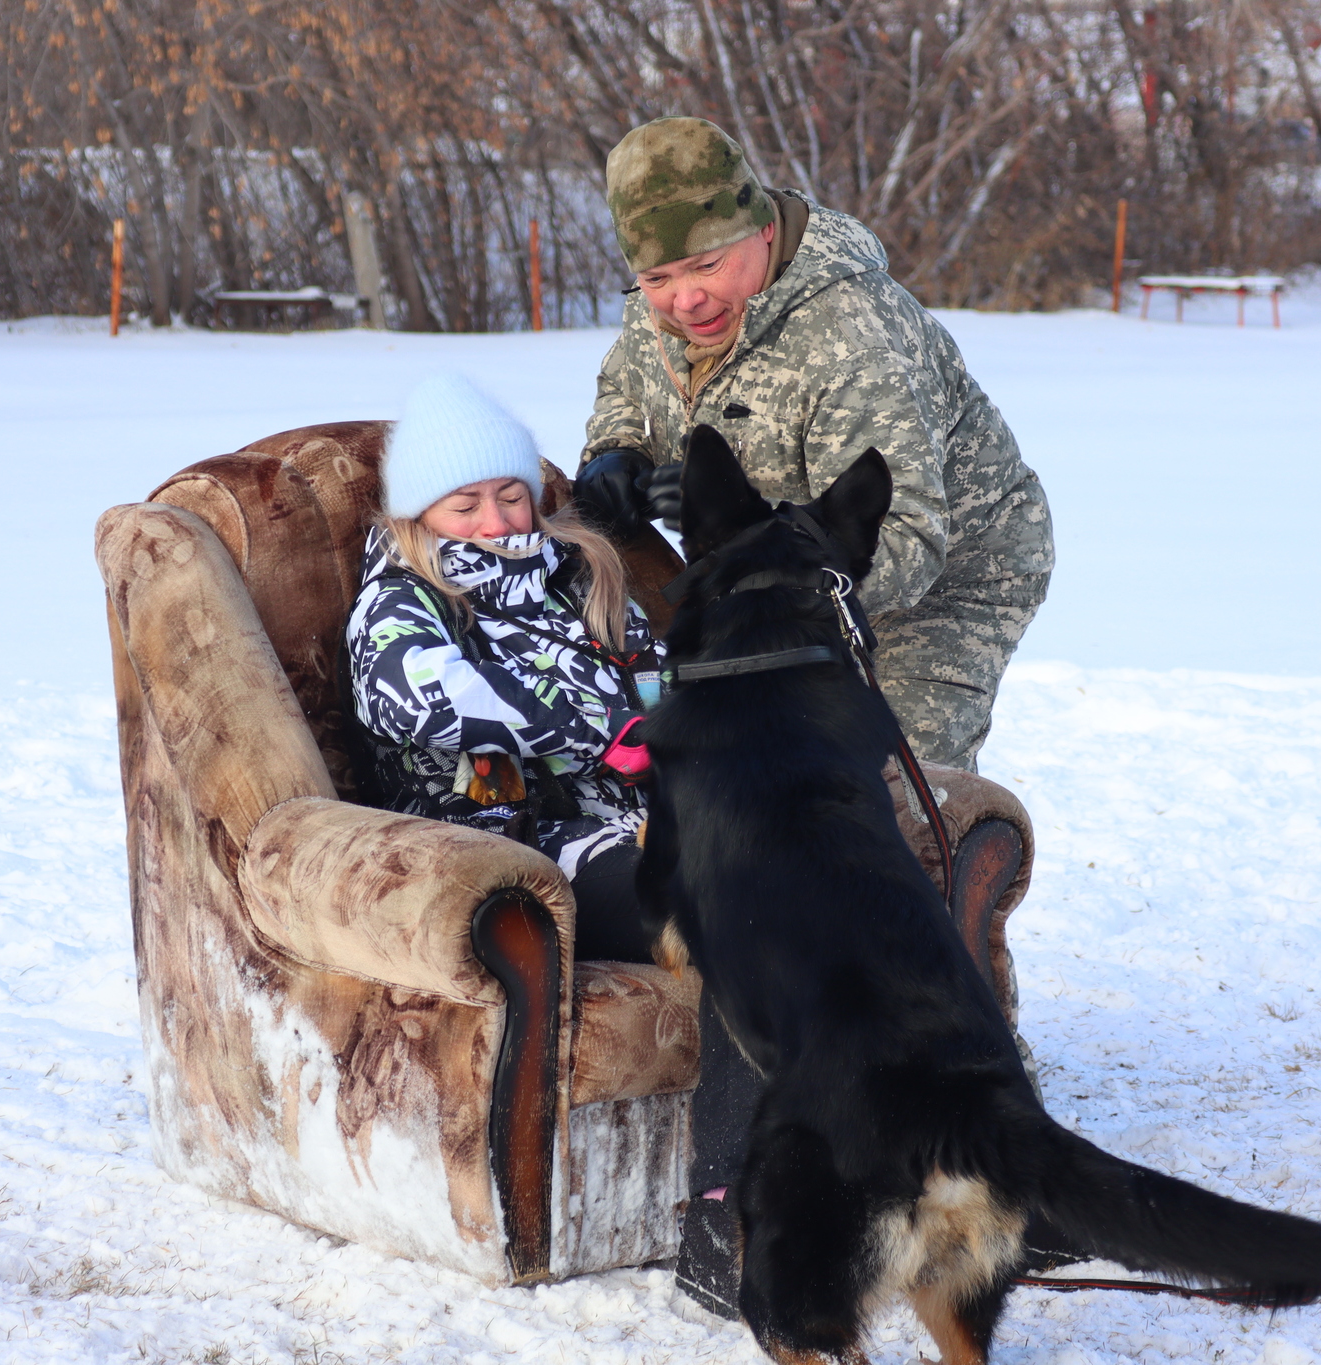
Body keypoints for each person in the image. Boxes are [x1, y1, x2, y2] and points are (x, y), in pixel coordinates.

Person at [573, 116, 1054, 774]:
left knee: (886, 790)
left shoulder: (850, 334)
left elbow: (907, 534)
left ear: (762, 228)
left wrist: (747, 548)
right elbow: (628, 385)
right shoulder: (663, 305)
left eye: (707, 265)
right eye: (657, 278)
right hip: (762, 586)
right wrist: (616, 454)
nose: (685, 298)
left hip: (943, 580)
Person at [346, 374, 662, 960]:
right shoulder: (400, 599)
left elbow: (656, 679)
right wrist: (600, 731)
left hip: (652, 820)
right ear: (420, 515)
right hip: (518, 847)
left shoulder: (578, 578)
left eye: (512, 496)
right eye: (465, 506)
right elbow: (422, 692)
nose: (496, 523)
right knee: (724, 907)